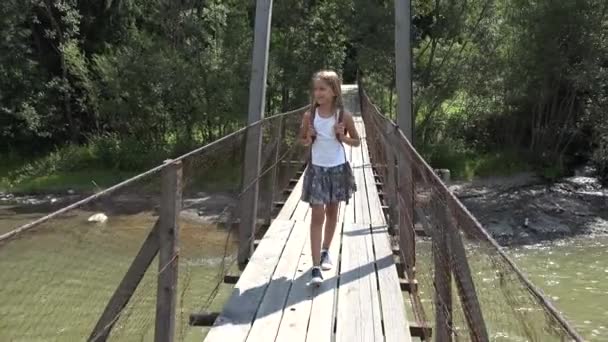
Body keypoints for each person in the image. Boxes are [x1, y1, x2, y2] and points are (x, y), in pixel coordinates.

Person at [299, 70, 360, 285]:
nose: (318, 93)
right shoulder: (309, 115)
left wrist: (342, 136)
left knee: (333, 211)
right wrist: (310, 136)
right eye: (315, 89)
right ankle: (315, 266)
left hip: (337, 169)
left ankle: (326, 250)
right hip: (317, 170)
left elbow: (357, 142)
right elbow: (303, 141)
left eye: (322, 89)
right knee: (317, 214)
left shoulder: (343, 115)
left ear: (334, 91)